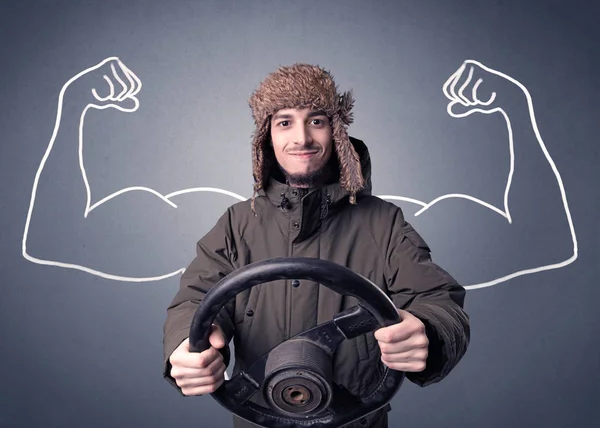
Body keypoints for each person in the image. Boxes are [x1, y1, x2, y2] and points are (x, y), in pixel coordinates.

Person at [162, 63, 470, 428]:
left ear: (336, 131)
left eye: (317, 121)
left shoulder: (384, 223)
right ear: (267, 137)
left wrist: (428, 330)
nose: (302, 139)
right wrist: (187, 345)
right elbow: (195, 300)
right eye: (285, 122)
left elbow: (438, 301)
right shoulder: (236, 223)